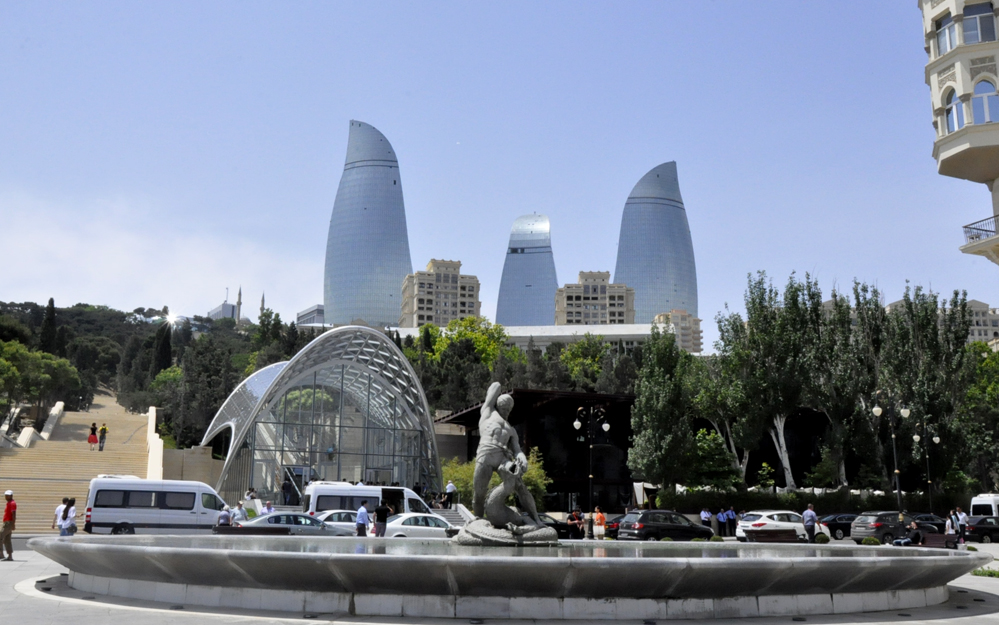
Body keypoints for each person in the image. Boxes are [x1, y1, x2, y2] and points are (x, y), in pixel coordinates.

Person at [472, 382, 542, 526]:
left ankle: (536, 519)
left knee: (520, 486)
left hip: (502, 459)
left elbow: (517, 449)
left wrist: (522, 457)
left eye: (509, 408)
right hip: (485, 456)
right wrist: (500, 388)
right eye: (504, 407)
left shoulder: (511, 430)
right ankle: (477, 521)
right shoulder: (487, 413)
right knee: (479, 493)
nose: (506, 410)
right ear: (498, 405)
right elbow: (495, 386)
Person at [1, 490, 15, 560]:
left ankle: (1, 554)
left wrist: (13, 524)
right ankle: (10, 556)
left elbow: (14, 514)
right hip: (7, 522)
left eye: (8, 495)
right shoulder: (9, 503)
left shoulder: (12, 503)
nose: (6, 496)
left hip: (8, 523)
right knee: (7, 539)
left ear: (11, 495)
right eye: (6, 495)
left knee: (0, 536)